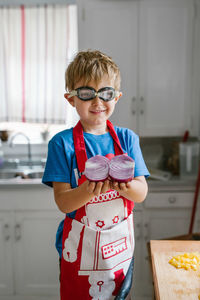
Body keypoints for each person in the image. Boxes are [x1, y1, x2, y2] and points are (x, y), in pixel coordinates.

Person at [42, 50, 149, 300]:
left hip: (119, 253)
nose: (98, 101)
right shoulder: (62, 144)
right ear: (71, 99)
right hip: (80, 254)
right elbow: (63, 202)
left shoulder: (127, 139)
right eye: (87, 93)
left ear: (117, 97)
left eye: (106, 93)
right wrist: (87, 189)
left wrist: (124, 186)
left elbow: (141, 193)